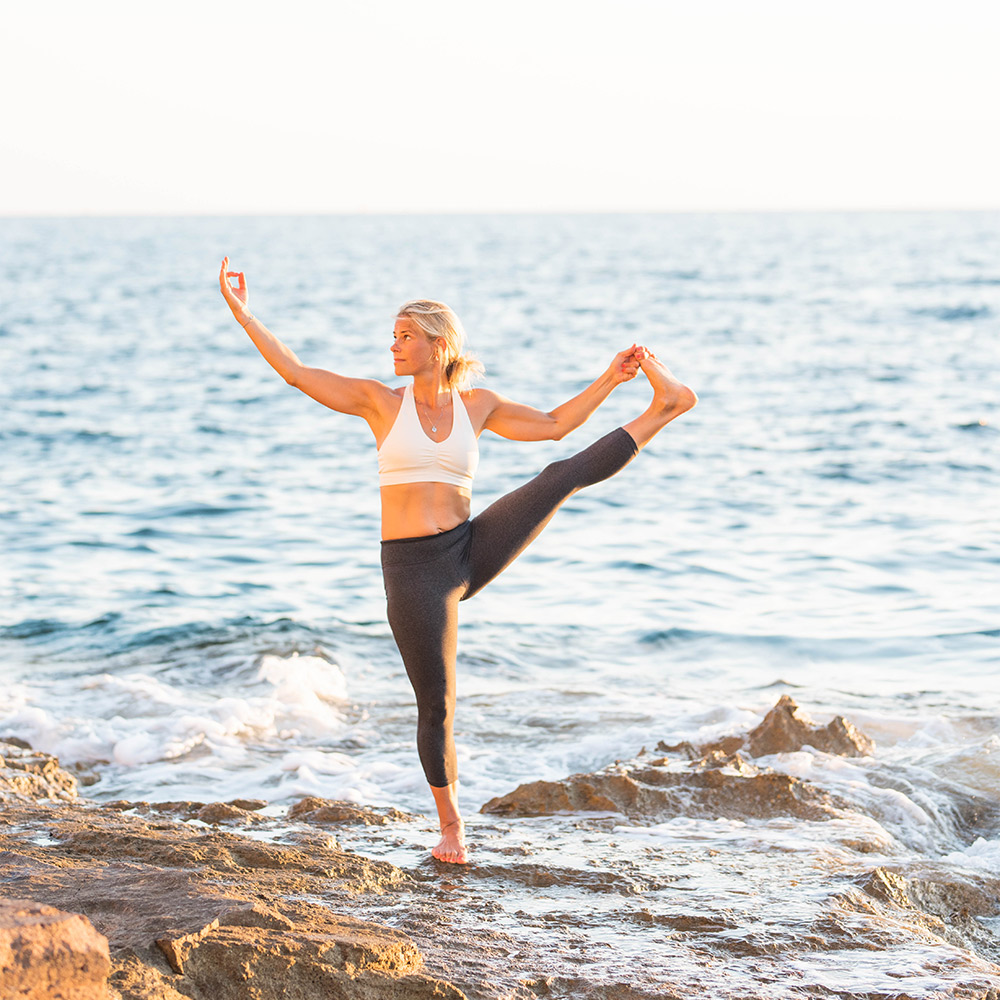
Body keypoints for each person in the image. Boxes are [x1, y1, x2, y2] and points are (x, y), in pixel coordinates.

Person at [219, 257, 697, 864]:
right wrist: (244, 311)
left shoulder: (479, 406)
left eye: (404, 336)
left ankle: (665, 406)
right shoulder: (378, 403)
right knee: (437, 701)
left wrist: (610, 378)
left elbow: (555, 425)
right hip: (416, 572)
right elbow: (293, 372)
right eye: (393, 336)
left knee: (556, 476)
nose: (393, 346)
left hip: (470, 546)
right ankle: (451, 827)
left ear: (437, 345)